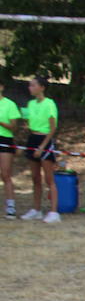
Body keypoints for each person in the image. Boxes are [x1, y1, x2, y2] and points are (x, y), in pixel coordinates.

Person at [19, 77, 60, 222]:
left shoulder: (49, 104)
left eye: (33, 85)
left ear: (42, 87)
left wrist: (42, 147)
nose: (30, 88)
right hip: (32, 138)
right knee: (35, 178)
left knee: (50, 179)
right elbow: (27, 122)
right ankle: (36, 209)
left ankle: (54, 212)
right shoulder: (30, 103)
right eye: (29, 85)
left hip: (45, 140)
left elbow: (53, 127)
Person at [0, 86, 20, 219]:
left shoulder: (9, 104)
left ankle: (11, 205)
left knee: (5, 173)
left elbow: (14, 127)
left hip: (5, 139)